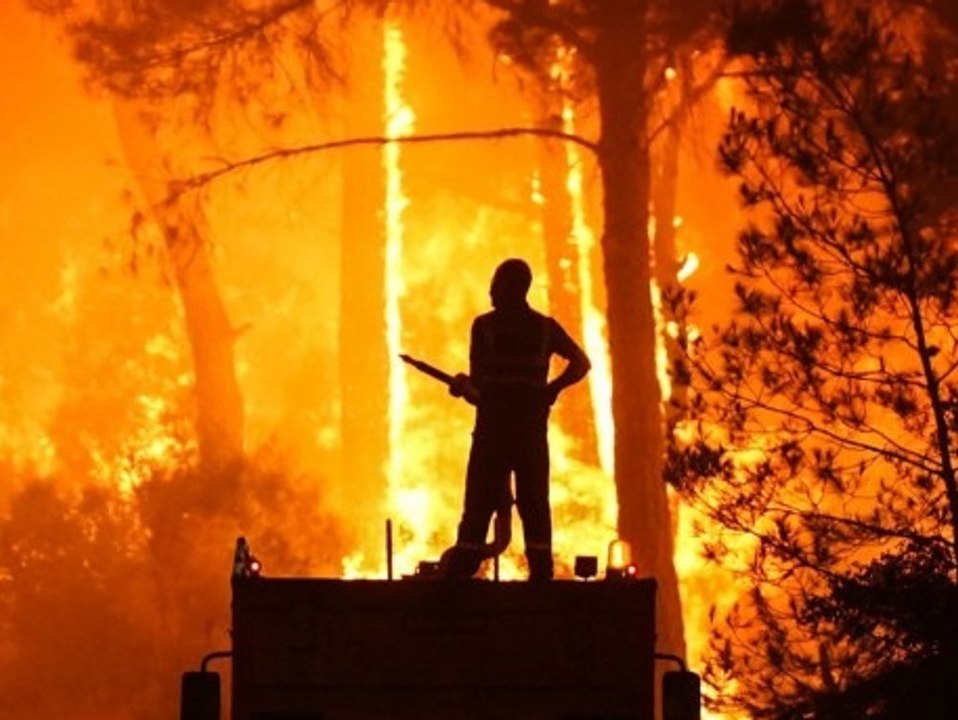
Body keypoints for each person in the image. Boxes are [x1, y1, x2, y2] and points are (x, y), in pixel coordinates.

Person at [442, 258, 590, 580]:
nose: (491, 291)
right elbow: (581, 363)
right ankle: (541, 577)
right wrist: (553, 388)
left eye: (496, 283)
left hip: (492, 433)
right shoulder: (544, 328)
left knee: (478, 508)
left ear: (509, 287)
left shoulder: (485, 327)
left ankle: (459, 578)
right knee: (534, 505)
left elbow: (479, 387)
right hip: (530, 434)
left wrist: (462, 386)